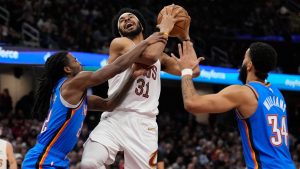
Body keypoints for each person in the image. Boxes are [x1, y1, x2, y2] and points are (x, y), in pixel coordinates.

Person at [21, 32, 166, 169]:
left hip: (56, 159)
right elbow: (116, 66)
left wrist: (131, 77)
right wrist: (147, 41)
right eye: (74, 60)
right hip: (43, 159)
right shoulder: (72, 83)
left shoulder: (75, 95)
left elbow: (110, 105)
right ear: (67, 69)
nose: (78, 61)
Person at [81, 6, 199, 169]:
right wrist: (164, 29)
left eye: (130, 17)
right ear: (120, 32)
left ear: (141, 26)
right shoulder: (120, 43)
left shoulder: (161, 58)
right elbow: (149, 57)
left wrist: (185, 37)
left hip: (144, 123)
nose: (126, 20)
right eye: (121, 21)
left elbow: (193, 70)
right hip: (115, 117)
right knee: (89, 164)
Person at [173, 41, 296, 169]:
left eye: (244, 58)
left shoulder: (244, 92)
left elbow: (191, 103)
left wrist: (186, 71)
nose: (241, 63)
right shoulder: (277, 94)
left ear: (249, 65)